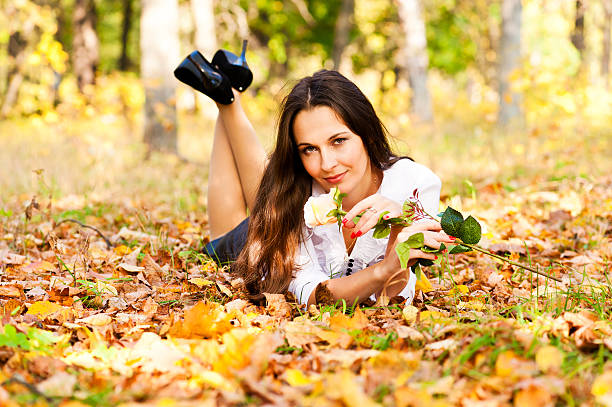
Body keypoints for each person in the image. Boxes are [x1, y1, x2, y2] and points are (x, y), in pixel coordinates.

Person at [174, 47, 452, 306]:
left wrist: (398, 230)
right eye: (309, 149)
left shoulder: (414, 186)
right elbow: (314, 296)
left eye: (339, 141)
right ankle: (228, 101)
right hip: (262, 240)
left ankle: (227, 95)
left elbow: (393, 300)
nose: (327, 164)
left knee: (270, 193)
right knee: (225, 234)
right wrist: (380, 271)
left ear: (366, 134)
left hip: (277, 212)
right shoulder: (290, 203)